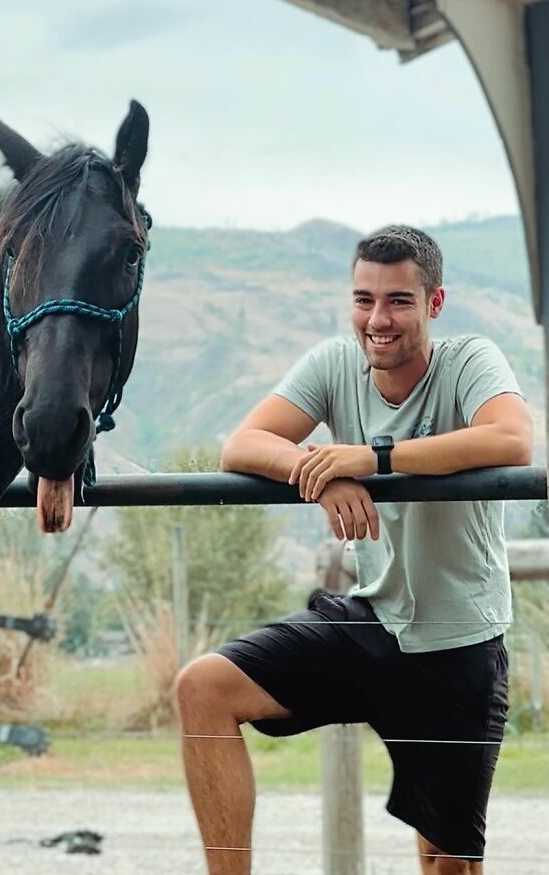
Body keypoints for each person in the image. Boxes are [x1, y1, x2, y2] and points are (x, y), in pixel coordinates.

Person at [174, 225, 533, 875]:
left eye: (398, 300)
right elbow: (243, 445)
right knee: (203, 687)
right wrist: (321, 472)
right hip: (368, 622)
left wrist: (372, 458)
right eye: (363, 299)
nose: (378, 318)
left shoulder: (471, 359)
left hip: (457, 646)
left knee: (448, 865)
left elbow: (511, 440)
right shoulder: (335, 363)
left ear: (435, 303)